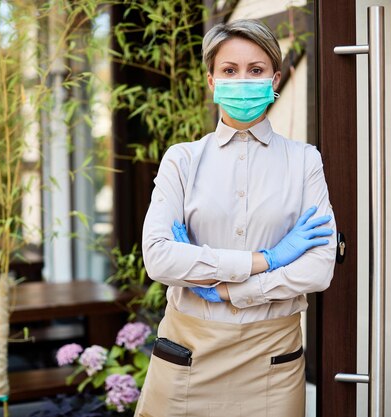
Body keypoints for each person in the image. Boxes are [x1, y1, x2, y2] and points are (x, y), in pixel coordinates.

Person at [136, 19, 336, 417]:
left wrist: (228, 290)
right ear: (211, 81)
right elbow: (158, 257)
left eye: (256, 70)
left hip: (271, 360)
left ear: (274, 79)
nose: (242, 80)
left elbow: (318, 269)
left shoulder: (304, 161)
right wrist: (266, 260)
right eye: (229, 70)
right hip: (189, 352)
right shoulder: (183, 159)